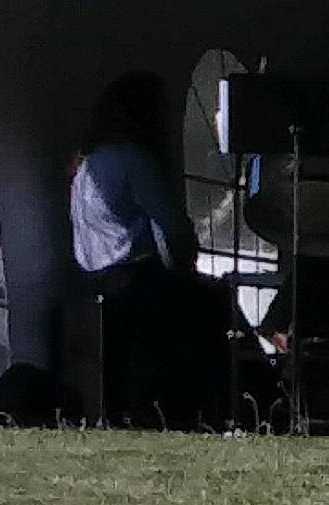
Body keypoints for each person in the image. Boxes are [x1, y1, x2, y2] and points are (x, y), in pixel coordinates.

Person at [70, 72, 229, 427]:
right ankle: (210, 408)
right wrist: (184, 261)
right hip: (133, 279)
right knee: (215, 302)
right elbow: (170, 227)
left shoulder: (85, 166)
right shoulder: (133, 160)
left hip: (92, 278)